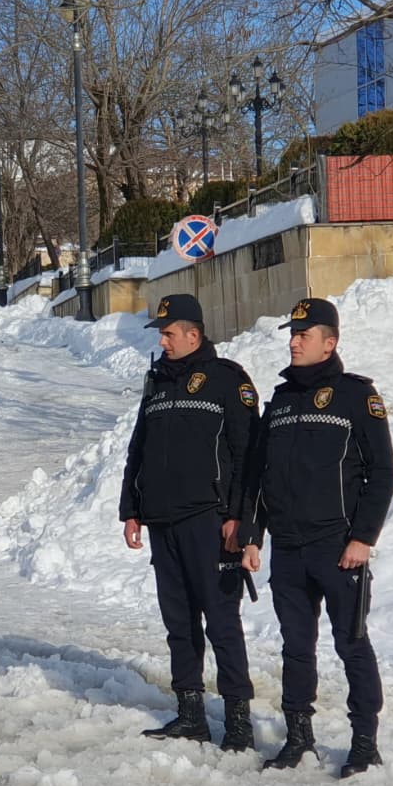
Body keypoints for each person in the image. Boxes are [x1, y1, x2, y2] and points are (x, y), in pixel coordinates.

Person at [238, 297, 393, 778]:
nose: (293, 341)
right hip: (288, 547)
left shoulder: (356, 397)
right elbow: (259, 476)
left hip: (338, 548)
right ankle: (298, 736)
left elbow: (383, 472)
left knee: (352, 643)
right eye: (293, 333)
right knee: (295, 646)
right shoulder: (281, 401)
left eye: (304, 335)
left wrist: (363, 538)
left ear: (329, 342)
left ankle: (365, 741)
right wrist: (253, 536)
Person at [119, 293, 261, 753]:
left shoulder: (227, 381)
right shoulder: (157, 381)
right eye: (161, 334)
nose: (162, 341)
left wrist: (240, 518)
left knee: (222, 624)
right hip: (162, 522)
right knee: (178, 623)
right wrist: (131, 508)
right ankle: (191, 714)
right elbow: (138, 448)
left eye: (168, 332)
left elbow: (248, 458)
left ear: (193, 334)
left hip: (209, 523)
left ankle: (238, 720)